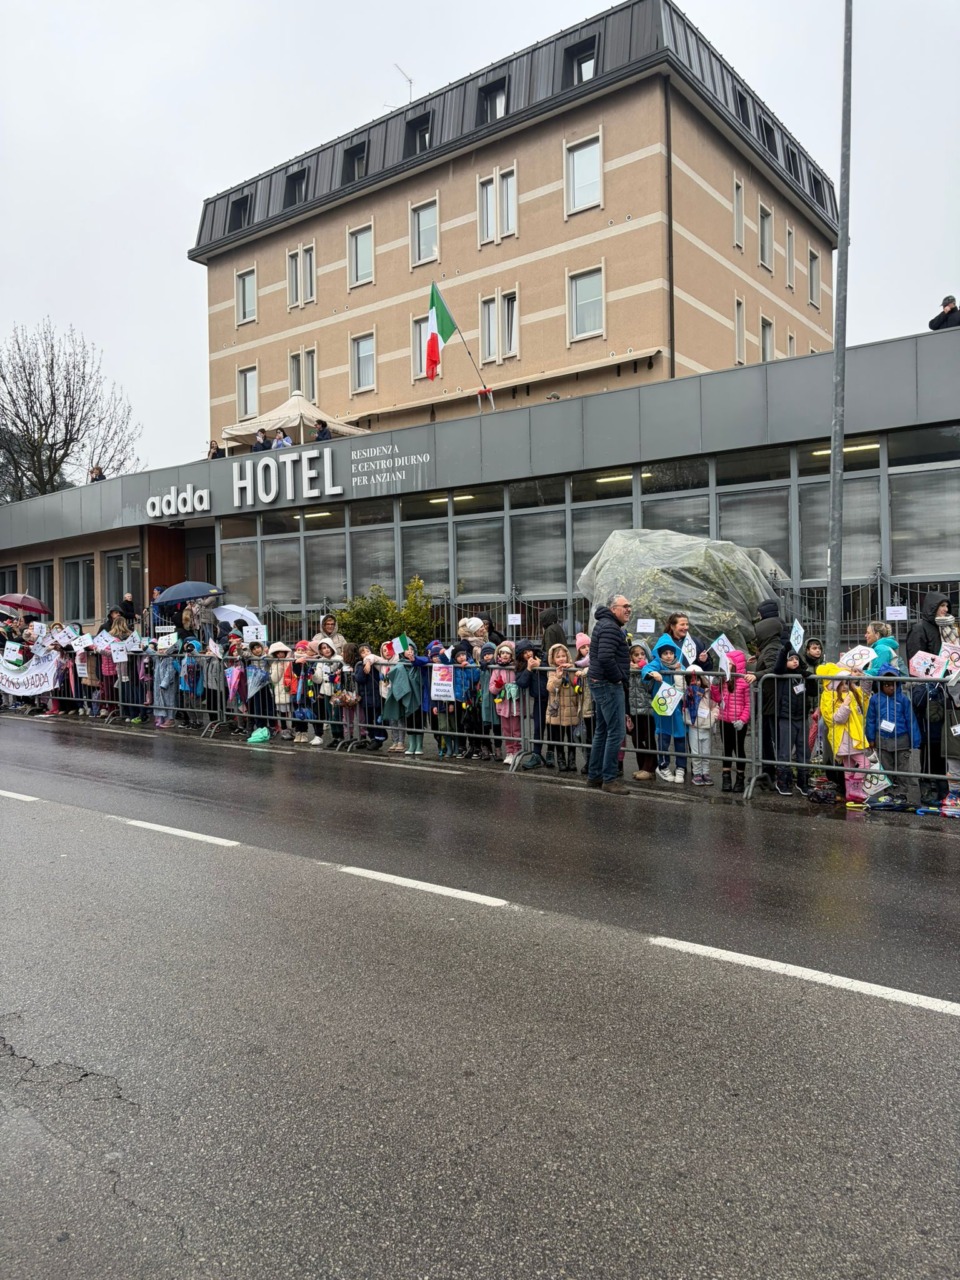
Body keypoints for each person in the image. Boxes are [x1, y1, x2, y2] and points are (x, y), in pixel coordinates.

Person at [586, 594, 632, 794]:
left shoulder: (605, 624)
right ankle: (609, 779)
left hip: (601, 682)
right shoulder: (611, 627)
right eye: (625, 606)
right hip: (608, 684)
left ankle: (595, 776)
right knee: (616, 732)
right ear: (614, 609)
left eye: (630, 606)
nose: (629, 609)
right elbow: (605, 657)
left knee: (603, 730)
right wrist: (618, 678)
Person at [865, 665, 921, 803]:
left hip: (902, 739)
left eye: (893, 684)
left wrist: (915, 740)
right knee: (886, 768)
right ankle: (888, 792)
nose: (891, 687)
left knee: (903, 768)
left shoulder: (903, 699)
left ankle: (902, 792)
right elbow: (870, 719)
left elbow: (911, 720)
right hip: (882, 739)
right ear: (881, 685)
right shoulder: (875, 699)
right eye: (887, 685)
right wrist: (870, 738)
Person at [772, 640, 815, 795]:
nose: (795, 661)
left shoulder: (802, 675)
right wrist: (785, 650)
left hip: (802, 717)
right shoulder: (782, 674)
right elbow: (778, 668)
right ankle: (782, 782)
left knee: (804, 750)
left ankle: (803, 782)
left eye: (796, 659)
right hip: (786, 717)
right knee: (785, 751)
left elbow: (813, 692)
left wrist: (810, 678)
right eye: (791, 659)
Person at [643, 636, 687, 784]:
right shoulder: (657, 663)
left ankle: (681, 767)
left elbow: (689, 677)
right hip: (663, 709)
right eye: (665, 653)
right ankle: (663, 766)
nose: (669, 656)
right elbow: (646, 669)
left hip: (677, 708)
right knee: (664, 738)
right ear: (660, 654)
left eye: (671, 653)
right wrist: (653, 673)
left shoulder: (679, 665)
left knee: (680, 738)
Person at [750, 598, 784, 785]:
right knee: (767, 738)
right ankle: (769, 772)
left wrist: (756, 675)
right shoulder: (770, 647)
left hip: (770, 701)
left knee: (769, 738)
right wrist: (757, 658)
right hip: (769, 700)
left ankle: (771, 773)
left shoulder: (771, 648)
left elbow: (773, 670)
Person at [711, 649, 752, 793]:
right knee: (727, 748)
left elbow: (748, 704)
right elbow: (717, 698)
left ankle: (740, 778)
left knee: (739, 748)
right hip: (725, 720)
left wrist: (743, 720)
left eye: (729, 663)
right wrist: (715, 685)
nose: (726, 665)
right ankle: (726, 777)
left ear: (736, 665)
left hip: (738, 722)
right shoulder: (723, 680)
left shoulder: (744, 682)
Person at [545, 643, 581, 771]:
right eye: (558, 656)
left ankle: (572, 760)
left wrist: (571, 671)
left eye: (563, 656)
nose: (561, 659)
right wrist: (558, 677)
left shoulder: (573, 669)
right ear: (553, 659)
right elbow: (550, 688)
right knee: (558, 736)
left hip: (571, 707)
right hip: (557, 709)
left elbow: (576, 684)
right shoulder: (551, 671)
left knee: (571, 737)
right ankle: (561, 760)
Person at [488, 641, 522, 766]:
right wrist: (498, 686)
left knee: (516, 730)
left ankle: (517, 751)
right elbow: (491, 688)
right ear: (499, 654)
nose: (505, 655)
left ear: (512, 655)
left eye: (507, 653)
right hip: (503, 705)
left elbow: (522, 683)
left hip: (515, 705)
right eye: (502, 653)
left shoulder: (516, 668)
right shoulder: (496, 669)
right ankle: (509, 752)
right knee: (506, 730)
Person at [627, 641, 657, 781]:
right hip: (634, 710)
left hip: (647, 709)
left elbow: (650, 687)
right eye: (636, 655)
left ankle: (649, 769)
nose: (640, 657)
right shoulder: (628, 669)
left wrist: (643, 670)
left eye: (642, 654)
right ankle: (642, 767)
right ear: (631, 657)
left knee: (649, 739)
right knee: (636, 739)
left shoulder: (648, 669)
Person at [683, 665, 717, 787]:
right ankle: (697, 773)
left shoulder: (707, 692)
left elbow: (715, 706)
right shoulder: (687, 693)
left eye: (697, 679)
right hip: (694, 727)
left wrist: (712, 718)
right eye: (692, 680)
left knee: (706, 752)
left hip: (706, 726)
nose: (695, 682)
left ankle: (705, 772)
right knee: (696, 752)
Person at [268, 641, 295, 740]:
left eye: (282, 652)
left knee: (293, 711)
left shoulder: (291, 661)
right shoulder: (274, 664)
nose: (280, 654)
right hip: (280, 691)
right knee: (283, 712)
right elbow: (274, 679)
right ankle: (284, 730)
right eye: (278, 653)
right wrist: (280, 667)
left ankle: (294, 729)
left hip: (291, 689)